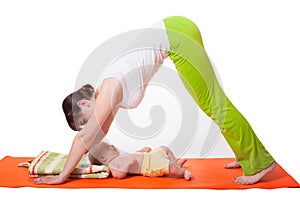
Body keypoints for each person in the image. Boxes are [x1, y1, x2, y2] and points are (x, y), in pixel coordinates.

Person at [34, 16, 276, 185]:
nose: (92, 122)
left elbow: (86, 136)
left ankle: (260, 162)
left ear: (83, 104)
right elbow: (97, 135)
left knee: (214, 105)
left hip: (176, 35)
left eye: (86, 120)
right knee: (213, 103)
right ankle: (246, 155)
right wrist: (82, 161)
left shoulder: (107, 90)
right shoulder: (108, 92)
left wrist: (62, 175)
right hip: (175, 32)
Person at [88, 141, 192, 180]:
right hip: (149, 166)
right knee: (170, 169)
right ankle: (183, 173)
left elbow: (132, 154)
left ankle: (175, 163)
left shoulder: (118, 157)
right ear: (103, 158)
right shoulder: (112, 164)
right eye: (109, 147)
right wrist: (126, 166)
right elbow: (118, 175)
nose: (113, 147)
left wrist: (141, 151)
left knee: (165, 148)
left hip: (149, 157)